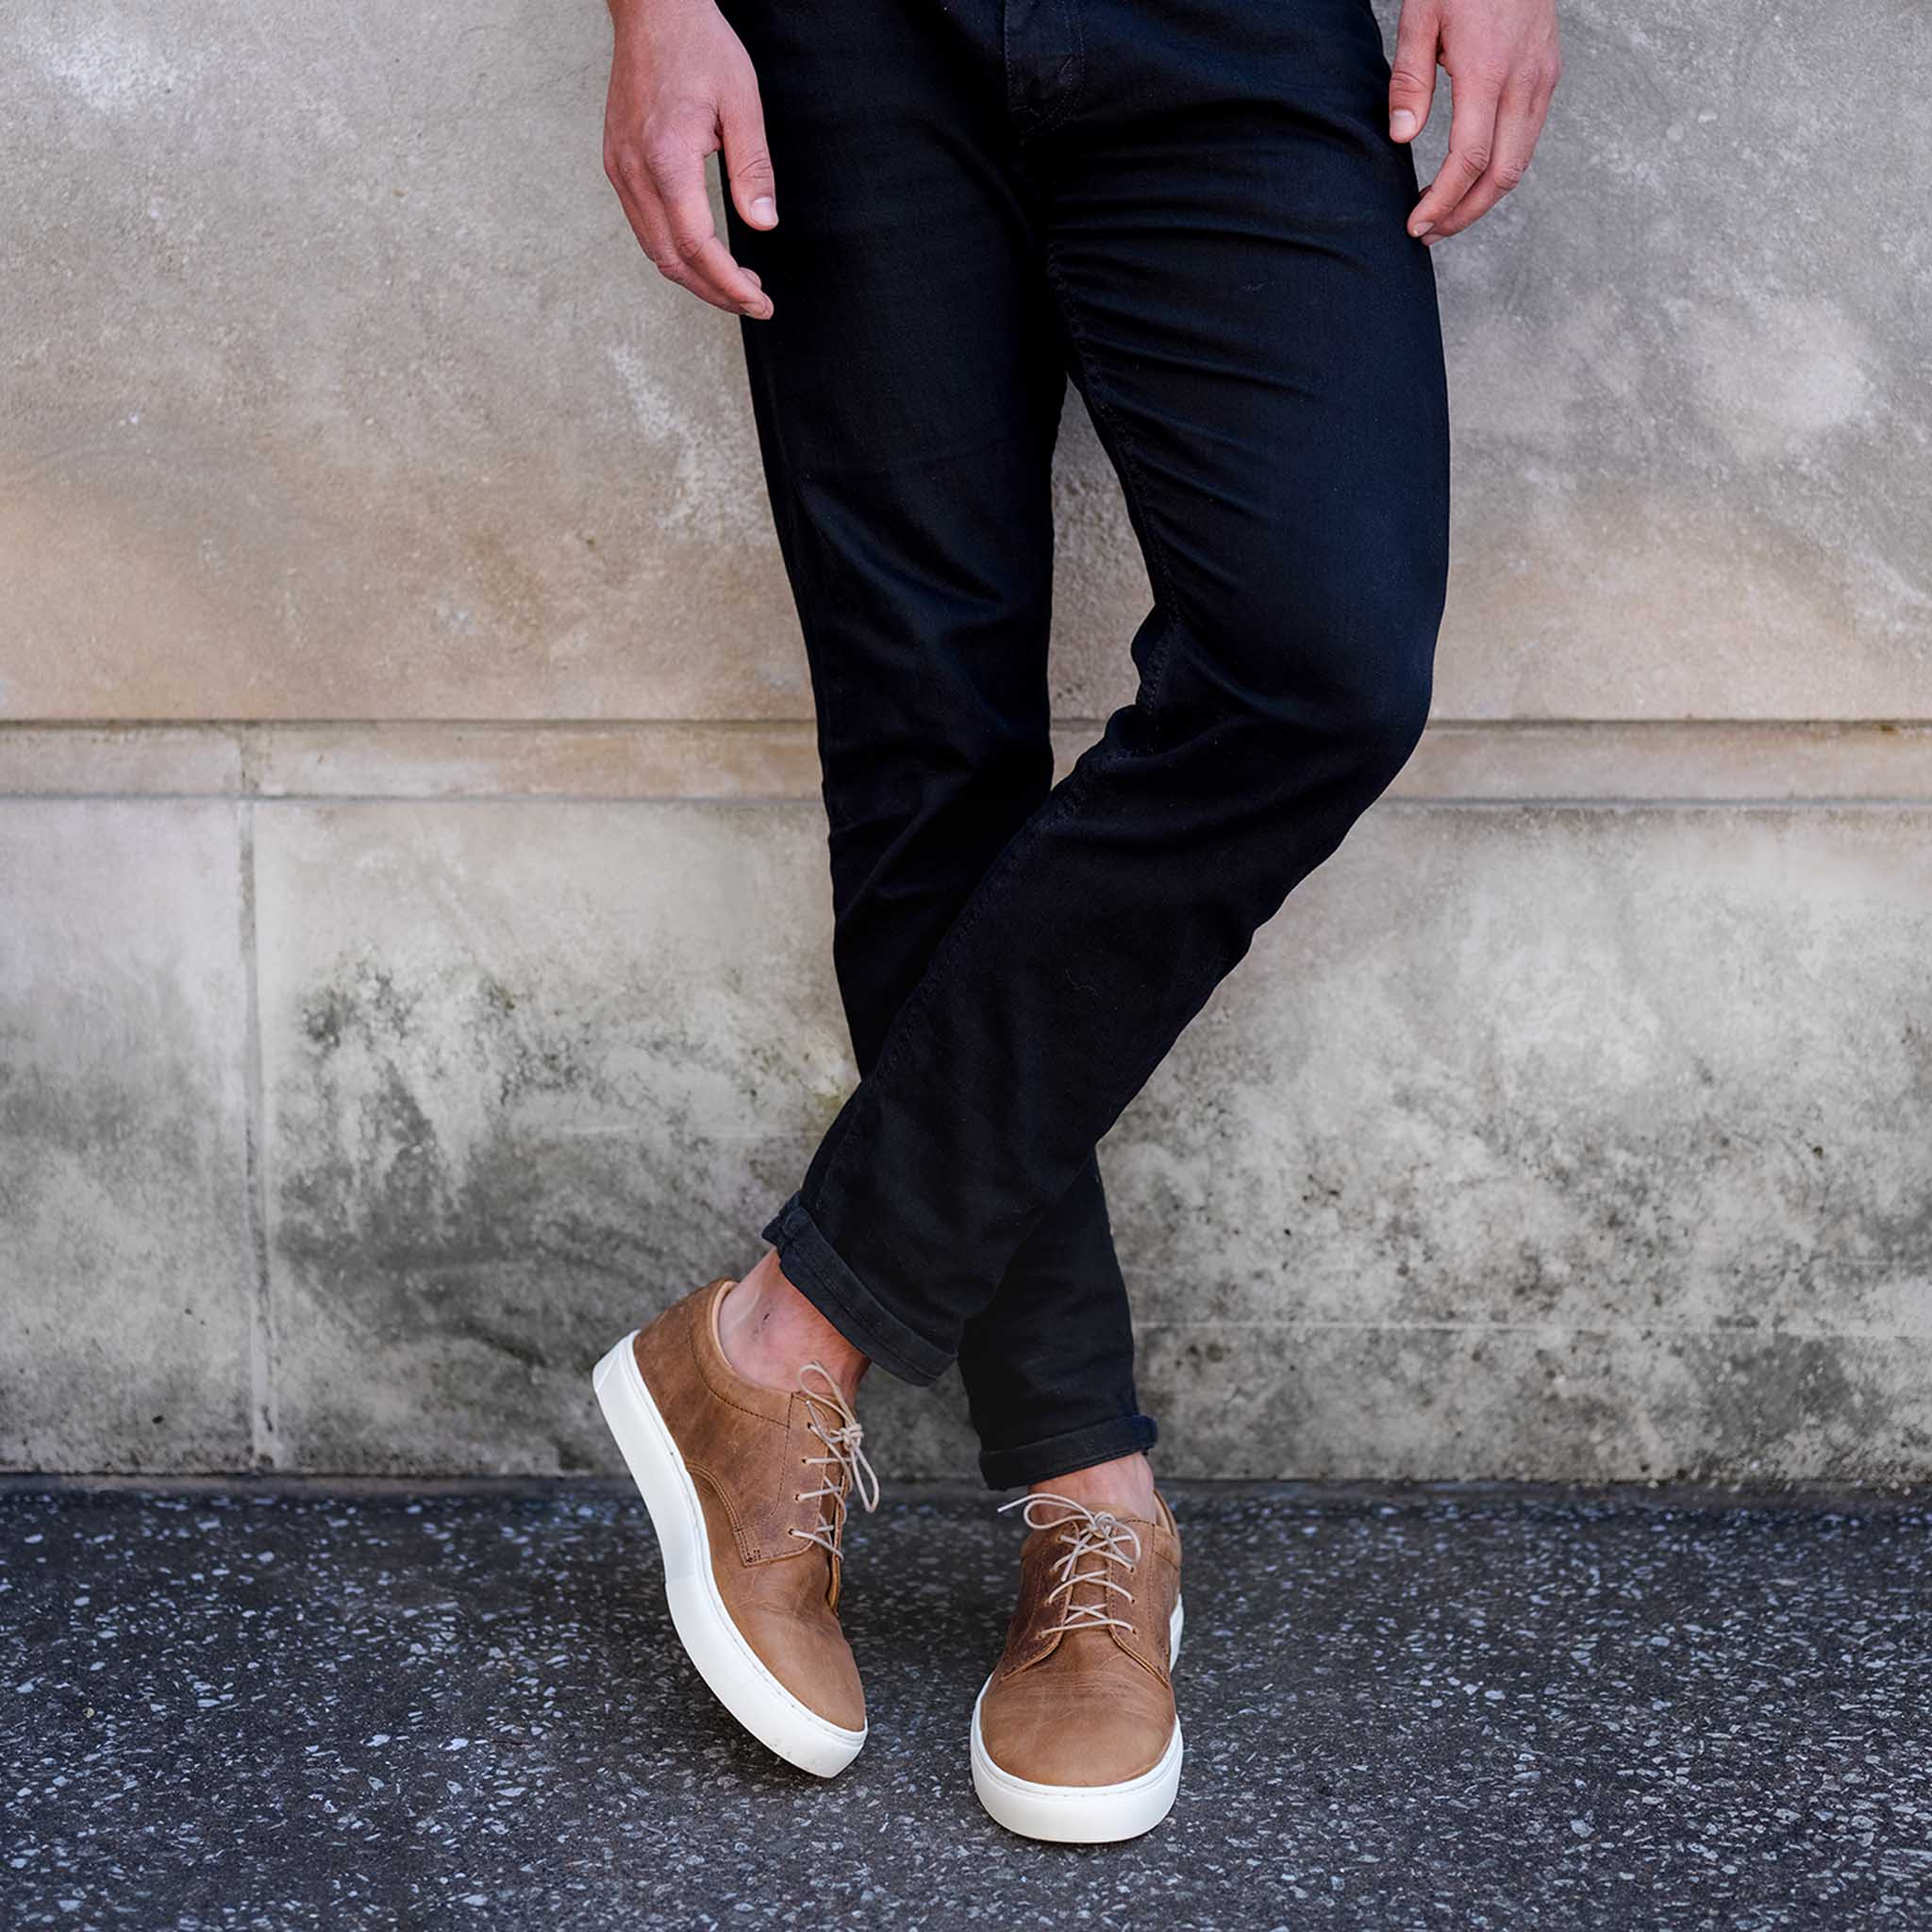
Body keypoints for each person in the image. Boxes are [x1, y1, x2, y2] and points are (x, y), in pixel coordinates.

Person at [591, 0, 1559, 1841]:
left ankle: (780, 1338)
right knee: (926, 748)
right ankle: (1085, 1499)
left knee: (1318, 665)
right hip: (840, 42)